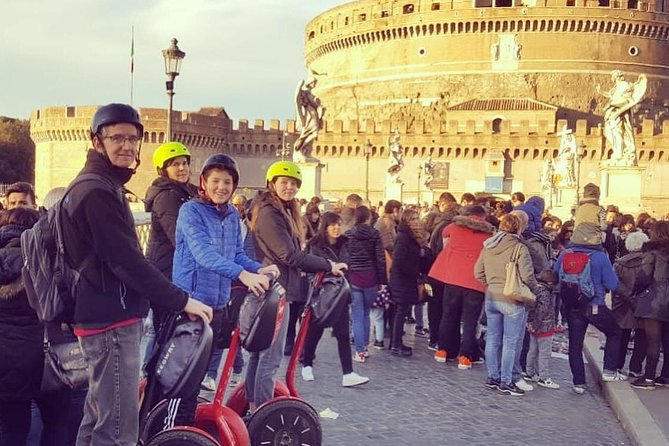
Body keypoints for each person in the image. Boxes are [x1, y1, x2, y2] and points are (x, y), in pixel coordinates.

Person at [59, 103, 212, 446]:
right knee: (119, 429)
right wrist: (182, 299)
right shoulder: (97, 191)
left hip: (100, 314)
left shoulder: (97, 184)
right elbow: (126, 261)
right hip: (110, 318)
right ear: (97, 141)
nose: (127, 146)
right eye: (117, 138)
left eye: (133, 138)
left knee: (98, 416)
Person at [168, 154, 274, 426]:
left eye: (227, 182)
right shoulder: (190, 211)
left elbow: (236, 254)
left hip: (217, 305)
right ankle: (172, 431)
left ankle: (190, 426)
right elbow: (203, 254)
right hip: (190, 304)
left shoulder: (230, 214)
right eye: (215, 181)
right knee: (183, 378)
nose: (221, 187)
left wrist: (259, 269)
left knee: (202, 376)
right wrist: (243, 275)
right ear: (204, 182)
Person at [248, 161, 347, 412]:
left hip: (277, 289)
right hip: (274, 292)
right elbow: (289, 255)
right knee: (269, 358)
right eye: (284, 182)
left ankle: (252, 407)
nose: (290, 187)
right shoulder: (270, 213)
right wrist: (327, 265)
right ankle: (261, 413)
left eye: (293, 183)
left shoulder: (283, 211)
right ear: (272, 184)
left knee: (262, 354)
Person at [0, 208, 78, 446]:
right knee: (57, 422)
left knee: (12, 427)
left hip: (7, 359)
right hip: (50, 356)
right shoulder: (49, 259)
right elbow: (69, 306)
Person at [474, 213, 541, 396]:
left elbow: (478, 272)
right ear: (518, 228)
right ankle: (506, 381)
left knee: (493, 339)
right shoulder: (519, 248)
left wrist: (491, 282)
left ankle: (492, 377)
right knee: (510, 342)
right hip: (512, 298)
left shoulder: (488, 246)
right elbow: (528, 276)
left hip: (491, 296)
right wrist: (535, 290)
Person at [554, 222, 623, 395]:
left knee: (575, 344)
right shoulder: (600, 257)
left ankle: (579, 383)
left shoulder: (565, 254)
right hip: (595, 305)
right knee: (615, 332)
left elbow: (555, 275)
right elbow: (612, 284)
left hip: (572, 306)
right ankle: (609, 371)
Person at [301, 212, 369, 387]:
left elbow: (350, 264)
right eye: (333, 224)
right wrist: (330, 270)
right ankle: (307, 364)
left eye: (339, 224)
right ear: (325, 227)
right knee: (314, 331)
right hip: (321, 294)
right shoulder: (314, 244)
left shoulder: (346, 243)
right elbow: (309, 267)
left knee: (343, 334)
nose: (337, 228)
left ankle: (348, 373)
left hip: (340, 294)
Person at [428, 205, 495, 368]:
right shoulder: (489, 234)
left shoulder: (453, 227)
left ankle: (442, 351)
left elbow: (445, 246)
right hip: (474, 282)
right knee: (470, 321)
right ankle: (465, 357)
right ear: (483, 217)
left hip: (452, 278)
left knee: (448, 315)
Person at [344, 206, 387, 362]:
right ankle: (365, 348)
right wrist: (382, 281)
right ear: (369, 217)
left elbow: (345, 257)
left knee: (356, 316)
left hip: (354, 278)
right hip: (371, 278)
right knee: (366, 313)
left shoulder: (348, 234)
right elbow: (380, 259)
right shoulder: (375, 234)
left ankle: (359, 351)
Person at [630, 221, 669, 389]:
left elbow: (644, 277)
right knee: (667, 341)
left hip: (654, 300)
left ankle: (648, 378)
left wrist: (635, 291)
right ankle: (666, 376)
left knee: (653, 340)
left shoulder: (652, 252)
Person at [388, 209, 432, 356]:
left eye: (416, 218)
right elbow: (399, 260)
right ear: (406, 220)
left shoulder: (410, 236)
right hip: (402, 279)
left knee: (400, 311)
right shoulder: (403, 237)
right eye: (412, 219)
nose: (416, 221)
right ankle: (396, 344)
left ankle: (396, 342)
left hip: (405, 278)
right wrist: (414, 273)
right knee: (401, 311)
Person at [612, 231, 649, 380]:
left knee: (621, 335)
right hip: (643, 301)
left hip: (623, 302)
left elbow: (615, 284)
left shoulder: (619, 263)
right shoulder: (649, 262)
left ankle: (618, 365)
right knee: (642, 336)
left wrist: (626, 295)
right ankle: (635, 368)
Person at [525, 270, 560, 389]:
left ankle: (530, 372)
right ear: (550, 283)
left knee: (532, 351)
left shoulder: (535, 290)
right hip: (545, 327)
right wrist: (536, 324)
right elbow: (542, 311)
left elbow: (532, 308)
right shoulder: (546, 294)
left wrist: (530, 323)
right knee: (544, 353)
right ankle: (543, 377)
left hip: (533, 326)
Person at [293, 77, 324, 163]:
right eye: (314, 82)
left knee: (314, 134)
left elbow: (315, 105)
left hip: (314, 115)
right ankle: (299, 148)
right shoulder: (304, 93)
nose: (315, 84)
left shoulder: (310, 94)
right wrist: (299, 86)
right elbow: (297, 100)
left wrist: (320, 108)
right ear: (310, 83)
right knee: (312, 133)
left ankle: (306, 151)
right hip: (308, 116)